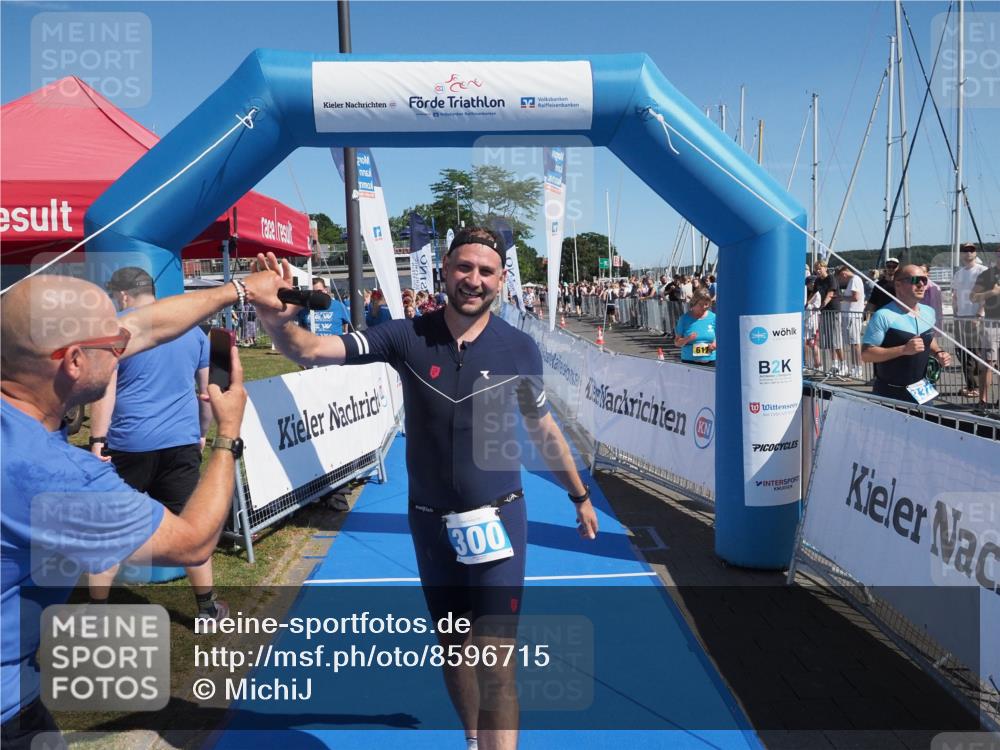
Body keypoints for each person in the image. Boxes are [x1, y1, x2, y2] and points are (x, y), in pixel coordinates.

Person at [250, 228, 598, 750]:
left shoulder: (520, 349)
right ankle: (474, 739)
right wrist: (279, 322)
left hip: (500, 519)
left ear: (501, 280)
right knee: (456, 651)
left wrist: (579, 495)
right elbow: (310, 350)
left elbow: (544, 429)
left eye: (485, 271)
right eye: (464, 268)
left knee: (495, 661)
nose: (473, 280)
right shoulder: (405, 336)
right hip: (431, 522)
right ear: (445, 271)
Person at [0, 269, 279, 745]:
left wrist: (239, 289)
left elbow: (145, 326)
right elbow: (192, 543)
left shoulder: (23, 382)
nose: (122, 347)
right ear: (72, 362)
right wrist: (227, 435)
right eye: (112, 344)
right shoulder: (51, 474)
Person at [85, 268, 225, 622]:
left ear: (125, 296)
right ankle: (207, 608)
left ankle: (98, 612)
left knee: (109, 531)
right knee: (193, 528)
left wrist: (97, 440)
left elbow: (105, 389)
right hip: (180, 442)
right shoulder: (191, 330)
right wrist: (200, 435)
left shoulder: (113, 329)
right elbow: (206, 395)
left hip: (129, 444)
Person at [861, 263, 952, 403]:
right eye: (915, 280)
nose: (921, 284)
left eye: (924, 280)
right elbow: (866, 354)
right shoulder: (883, 315)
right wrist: (903, 349)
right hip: (890, 393)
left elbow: (928, 338)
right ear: (898, 285)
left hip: (922, 390)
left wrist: (939, 352)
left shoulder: (928, 312)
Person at [953, 243, 987, 398]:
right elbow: (955, 296)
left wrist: (979, 315)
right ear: (961, 254)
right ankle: (972, 385)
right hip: (960, 318)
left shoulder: (982, 270)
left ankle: (974, 387)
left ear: (975, 253)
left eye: (971, 250)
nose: (968, 253)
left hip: (975, 318)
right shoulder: (958, 273)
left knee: (974, 353)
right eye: (965, 250)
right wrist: (955, 314)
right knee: (961, 352)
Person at [971, 247, 1000, 413]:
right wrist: (992, 292)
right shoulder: (987, 275)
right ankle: (982, 400)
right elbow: (973, 297)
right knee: (987, 363)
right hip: (991, 324)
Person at [835, 265, 865, 379]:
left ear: (844, 274)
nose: (842, 280)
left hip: (853, 314)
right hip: (850, 315)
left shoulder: (854, 280)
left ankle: (858, 368)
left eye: (841, 278)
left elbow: (855, 297)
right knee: (852, 343)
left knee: (855, 343)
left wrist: (841, 297)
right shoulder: (854, 280)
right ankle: (854, 367)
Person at [674, 288, 717, 365]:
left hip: (711, 361)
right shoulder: (684, 319)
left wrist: (714, 344)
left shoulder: (713, 317)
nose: (704, 307)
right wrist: (687, 339)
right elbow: (677, 343)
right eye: (700, 304)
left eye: (706, 304)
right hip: (689, 362)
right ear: (694, 303)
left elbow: (720, 337)